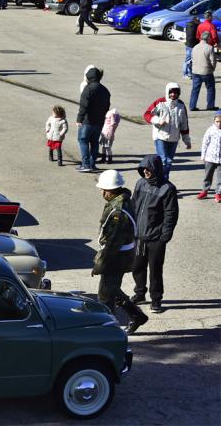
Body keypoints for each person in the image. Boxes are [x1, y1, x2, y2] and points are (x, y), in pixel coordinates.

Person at [93, 170, 148, 334]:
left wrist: (99, 265)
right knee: (112, 287)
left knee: (104, 295)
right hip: (120, 255)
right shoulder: (120, 200)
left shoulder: (118, 211)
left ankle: (107, 329)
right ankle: (136, 315)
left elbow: (112, 244)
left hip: (116, 257)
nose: (102, 192)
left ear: (112, 190)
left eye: (104, 189)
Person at [131, 155, 179, 314]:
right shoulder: (140, 183)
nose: (145, 171)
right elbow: (133, 206)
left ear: (156, 169)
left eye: (148, 168)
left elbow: (171, 214)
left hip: (156, 238)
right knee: (137, 266)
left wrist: (164, 236)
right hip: (139, 235)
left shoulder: (168, 188)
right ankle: (139, 293)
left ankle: (156, 299)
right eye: (143, 168)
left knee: (155, 270)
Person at [143, 83, 191, 179]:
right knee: (163, 160)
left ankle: (164, 180)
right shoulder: (160, 102)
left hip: (174, 139)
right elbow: (147, 114)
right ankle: (162, 181)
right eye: (171, 92)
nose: (173, 94)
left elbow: (184, 124)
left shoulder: (181, 105)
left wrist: (187, 141)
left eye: (176, 92)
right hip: (160, 136)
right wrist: (157, 120)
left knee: (169, 161)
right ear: (167, 92)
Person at [76, 66, 110, 172]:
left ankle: (85, 165)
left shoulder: (88, 89)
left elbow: (84, 106)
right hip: (99, 122)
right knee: (94, 143)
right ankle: (92, 164)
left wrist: (79, 119)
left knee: (83, 141)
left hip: (87, 121)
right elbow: (107, 106)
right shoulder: (105, 90)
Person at [190, 31, 217, 111]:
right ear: (208, 38)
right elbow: (213, 61)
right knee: (210, 88)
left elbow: (192, 59)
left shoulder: (195, 47)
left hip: (195, 72)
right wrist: (212, 69)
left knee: (195, 90)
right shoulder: (209, 48)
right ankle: (210, 106)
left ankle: (192, 106)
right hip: (206, 72)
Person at [197, 110, 221, 201]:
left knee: (220, 177)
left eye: (220, 122)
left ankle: (218, 193)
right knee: (208, 175)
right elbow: (205, 143)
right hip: (210, 158)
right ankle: (205, 191)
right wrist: (203, 155)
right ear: (214, 121)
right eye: (217, 122)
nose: (219, 124)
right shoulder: (210, 130)